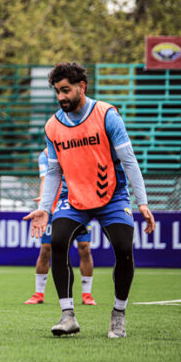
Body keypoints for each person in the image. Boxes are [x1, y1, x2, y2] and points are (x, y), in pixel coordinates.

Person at [24, 62, 155, 339]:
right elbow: (54, 170)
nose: (61, 97)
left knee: (123, 248)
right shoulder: (52, 126)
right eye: (57, 91)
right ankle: (67, 315)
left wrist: (141, 201)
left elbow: (129, 161)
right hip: (75, 198)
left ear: (82, 87)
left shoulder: (107, 115)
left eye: (66, 90)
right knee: (58, 242)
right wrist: (44, 209)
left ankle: (118, 314)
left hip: (113, 195)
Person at [24, 147, 96, 305]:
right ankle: (38, 294)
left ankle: (87, 295)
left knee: (84, 248)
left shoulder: (78, 148)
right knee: (46, 249)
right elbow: (45, 179)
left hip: (79, 206)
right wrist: (44, 205)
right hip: (54, 208)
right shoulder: (46, 154)